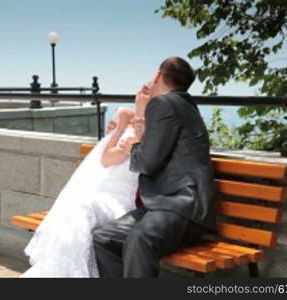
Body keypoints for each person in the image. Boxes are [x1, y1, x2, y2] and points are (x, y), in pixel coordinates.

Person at [92, 56, 217, 278]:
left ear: (158, 75)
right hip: (166, 205)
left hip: (181, 206)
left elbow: (147, 162)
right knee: (104, 237)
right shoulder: (185, 104)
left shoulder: (163, 103)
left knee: (140, 239)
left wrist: (133, 146)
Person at [20, 98, 151, 277]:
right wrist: (120, 128)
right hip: (103, 194)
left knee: (82, 208)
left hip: (120, 201)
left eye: (149, 89)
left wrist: (135, 142)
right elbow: (106, 160)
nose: (144, 89)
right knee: (78, 208)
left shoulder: (151, 133)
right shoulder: (125, 128)